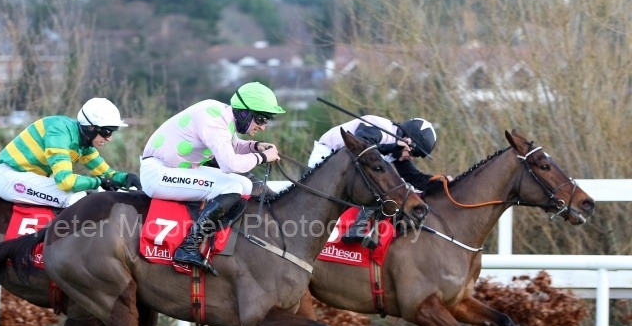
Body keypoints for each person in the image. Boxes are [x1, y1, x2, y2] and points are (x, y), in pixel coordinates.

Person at [140, 81, 284, 274]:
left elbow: (231, 146)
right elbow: (230, 164)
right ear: (244, 113)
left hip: (177, 171)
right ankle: (188, 246)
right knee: (232, 187)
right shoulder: (214, 120)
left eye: (267, 120)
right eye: (261, 119)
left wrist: (255, 146)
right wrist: (262, 157)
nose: (263, 126)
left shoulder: (222, 116)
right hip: (158, 174)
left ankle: (213, 237)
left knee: (244, 184)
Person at [308, 115, 439, 245]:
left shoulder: (398, 151)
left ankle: (359, 230)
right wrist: (395, 146)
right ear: (407, 140)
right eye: (413, 153)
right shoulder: (380, 127)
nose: (412, 158)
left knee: (385, 192)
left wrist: (442, 182)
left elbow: (413, 177)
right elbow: (361, 146)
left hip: (347, 170)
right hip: (327, 154)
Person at [0, 97, 141, 208]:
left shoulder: (84, 143)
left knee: (89, 196)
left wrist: (126, 177)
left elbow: (106, 173)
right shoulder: (59, 133)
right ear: (90, 128)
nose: (109, 139)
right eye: (107, 132)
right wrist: (98, 182)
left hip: (28, 177)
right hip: (10, 178)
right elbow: (65, 182)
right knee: (76, 197)